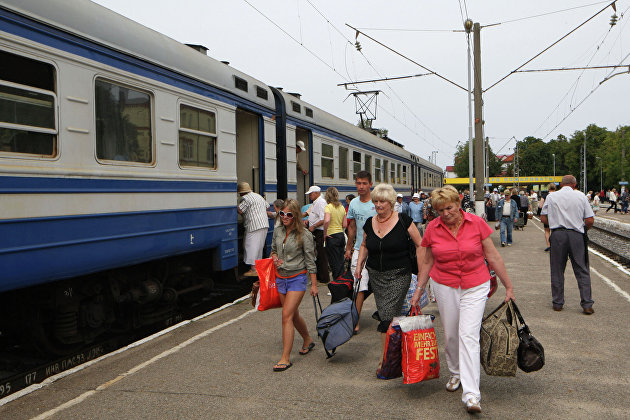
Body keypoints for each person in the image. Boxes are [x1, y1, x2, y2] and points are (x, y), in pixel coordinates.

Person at [410, 185, 515, 414]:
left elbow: (493, 255)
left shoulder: (476, 223)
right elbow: (427, 262)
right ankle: (455, 372)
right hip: (445, 284)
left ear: (458, 204)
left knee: (468, 334)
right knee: (450, 334)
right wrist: (419, 290)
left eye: (449, 208)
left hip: (475, 284)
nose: (446, 213)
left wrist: (508, 286)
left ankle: (471, 395)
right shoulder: (432, 228)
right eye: (440, 210)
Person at [354, 183, 422, 370]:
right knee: (392, 315)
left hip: (399, 274)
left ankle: (385, 361)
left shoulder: (404, 220)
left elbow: (420, 245)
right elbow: (365, 245)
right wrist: (359, 264)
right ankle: (399, 352)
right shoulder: (370, 222)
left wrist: (423, 273)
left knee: (387, 315)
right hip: (376, 275)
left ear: (391, 202)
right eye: (376, 201)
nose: (378, 205)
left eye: (382, 201)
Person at [269, 199, 319, 371]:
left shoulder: (304, 235)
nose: (284, 217)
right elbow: (273, 249)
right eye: (282, 213)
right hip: (280, 277)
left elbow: (310, 260)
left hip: (297, 278)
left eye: (289, 214)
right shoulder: (277, 231)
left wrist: (314, 285)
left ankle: (285, 358)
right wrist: (274, 256)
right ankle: (307, 339)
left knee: (286, 316)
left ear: (296, 215)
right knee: (293, 314)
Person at [540, 175, 595, 314]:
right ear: (574, 185)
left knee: (557, 269)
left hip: (558, 235)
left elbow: (543, 217)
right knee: (582, 269)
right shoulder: (581, 196)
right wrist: (582, 230)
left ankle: (558, 303)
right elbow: (589, 220)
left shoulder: (551, 197)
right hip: (576, 235)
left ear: (560, 185)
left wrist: (553, 223)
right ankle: (587, 304)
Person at [345, 171, 376, 333]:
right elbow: (352, 227)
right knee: (359, 285)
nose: (361, 186)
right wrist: (348, 248)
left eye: (364, 183)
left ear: (371, 184)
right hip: (358, 249)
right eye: (358, 183)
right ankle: (355, 320)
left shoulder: (377, 202)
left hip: (377, 250)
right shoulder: (354, 204)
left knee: (380, 283)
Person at [237, 181, 269, 276]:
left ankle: (253, 269)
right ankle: (257, 268)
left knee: (250, 246)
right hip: (264, 224)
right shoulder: (258, 196)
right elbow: (267, 207)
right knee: (259, 247)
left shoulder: (245, 198)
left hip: (253, 225)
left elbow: (240, 210)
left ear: (242, 192)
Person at [305, 185, 330, 284]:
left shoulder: (320, 202)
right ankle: (320, 276)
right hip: (316, 231)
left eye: (311, 194)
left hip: (319, 231)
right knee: (318, 254)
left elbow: (323, 219)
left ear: (316, 193)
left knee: (321, 255)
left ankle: (324, 278)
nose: (310, 196)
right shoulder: (316, 202)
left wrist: (314, 226)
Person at [323, 187, 347, 280]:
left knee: (334, 262)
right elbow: (344, 224)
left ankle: (336, 284)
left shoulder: (328, 207)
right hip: (341, 235)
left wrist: (325, 233)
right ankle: (342, 283)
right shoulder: (342, 207)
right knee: (340, 262)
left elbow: (327, 220)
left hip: (332, 236)